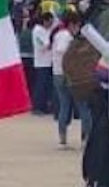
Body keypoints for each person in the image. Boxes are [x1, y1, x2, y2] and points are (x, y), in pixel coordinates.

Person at [50, 11, 81, 147]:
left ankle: (63, 138)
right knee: (82, 105)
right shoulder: (66, 36)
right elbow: (63, 51)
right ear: (72, 24)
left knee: (64, 105)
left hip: (57, 73)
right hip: (67, 74)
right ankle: (85, 138)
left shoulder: (57, 35)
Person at [30, 11, 55, 115]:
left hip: (48, 62)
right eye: (49, 22)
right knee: (40, 86)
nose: (50, 24)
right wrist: (53, 43)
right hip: (41, 62)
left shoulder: (46, 30)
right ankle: (37, 107)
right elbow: (42, 46)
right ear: (45, 21)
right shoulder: (38, 31)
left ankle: (44, 106)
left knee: (47, 86)